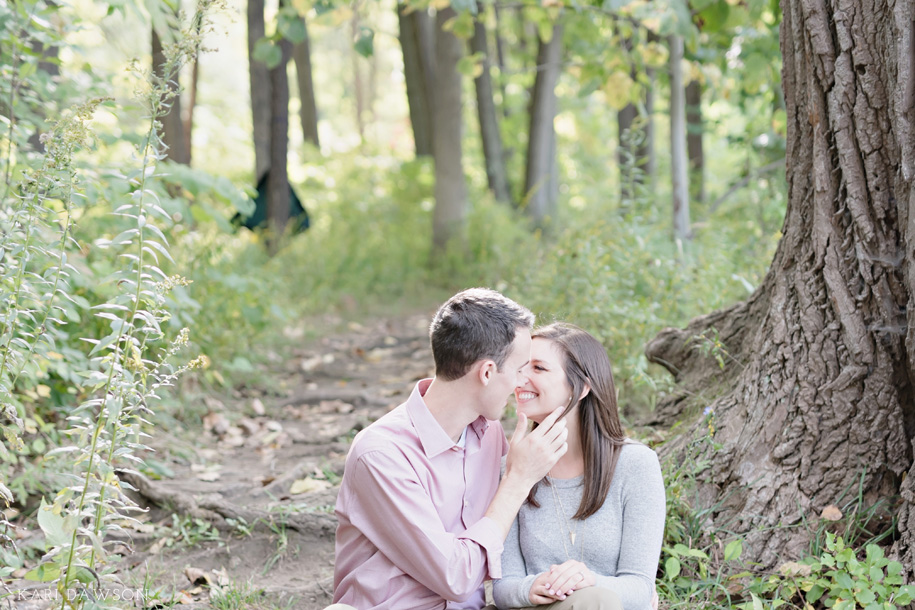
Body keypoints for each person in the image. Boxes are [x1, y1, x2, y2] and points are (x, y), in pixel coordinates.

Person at [330, 288, 570, 610]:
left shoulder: (490, 436)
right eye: (518, 369)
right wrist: (517, 480)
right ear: (486, 373)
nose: (521, 383)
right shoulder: (381, 455)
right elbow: (455, 577)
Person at [492, 323, 665, 610]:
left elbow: (641, 588)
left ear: (582, 386)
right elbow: (503, 588)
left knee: (595, 600)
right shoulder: (510, 469)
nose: (520, 380)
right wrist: (530, 588)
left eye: (538, 368)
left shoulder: (636, 465)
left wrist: (588, 581)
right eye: (521, 368)